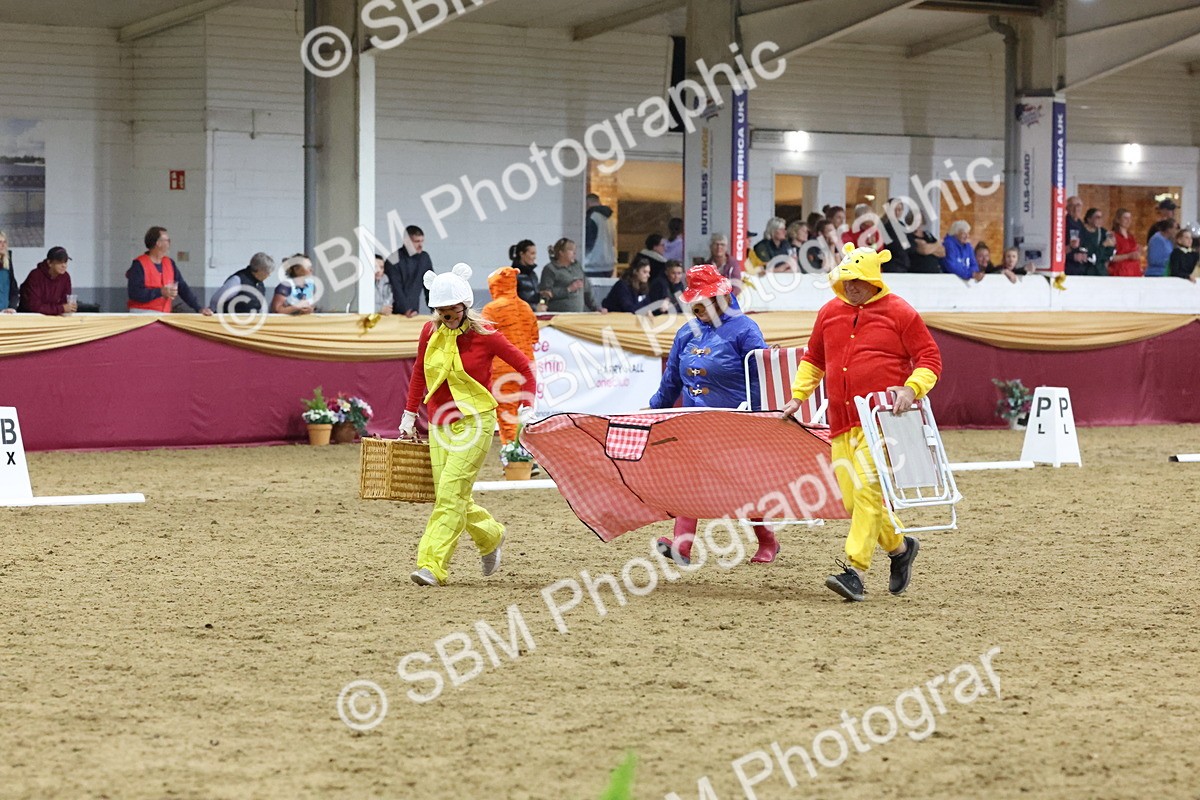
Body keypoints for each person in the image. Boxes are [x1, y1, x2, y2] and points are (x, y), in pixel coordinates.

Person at [782, 243, 942, 602]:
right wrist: (798, 396)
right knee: (853, 503)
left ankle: (854, 571)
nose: (849, 286)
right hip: (841, 423)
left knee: (868, 490)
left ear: (873, 280)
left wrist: (912, 388)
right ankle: (900, 549)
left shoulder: (901, 312)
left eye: (856, 280)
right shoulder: (828, 313)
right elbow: (813, 358)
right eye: (845, 279)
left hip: (883, 422)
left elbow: (930, 358)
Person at [399, 263, 536, 586]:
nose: (447, 317)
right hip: (439, 423)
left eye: (452, 311)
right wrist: (409, 415)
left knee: (450, 495)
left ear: (465, 306)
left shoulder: (487, 335)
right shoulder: (429, 333)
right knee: (451, 494)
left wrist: (527, 406)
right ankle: (490, 534)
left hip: (476, 422)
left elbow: (525, 367)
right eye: (441, 312)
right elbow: (419, 372)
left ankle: (432, 565)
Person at [649, 263, 779, 565]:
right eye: (695, 301)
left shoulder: (745, 329)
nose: (698, 306)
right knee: (689, 478)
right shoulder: (685, 334)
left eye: (704, 299)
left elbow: (761, 376)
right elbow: (671, 380)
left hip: (737, 422)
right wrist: (654, 411)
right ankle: (682, 546)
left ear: (722, 297)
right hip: (694, 422)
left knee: (744, 485)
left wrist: (763, 418)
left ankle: (767, 540)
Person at [481, 266, 540, 458]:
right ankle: (527, 452)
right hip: (528, 368)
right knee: (526, 412)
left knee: (507, 414)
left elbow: (483, 338)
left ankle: (515, 456)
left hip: (503, 370)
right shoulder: (526, 307)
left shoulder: (491, 309)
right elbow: (534, 337)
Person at [127, 226, 212, 315]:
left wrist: (199, 308)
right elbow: (134, 293)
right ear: (158, 243)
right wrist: (160, 292)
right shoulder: (139, 264)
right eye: (167, 240)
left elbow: (182, 287)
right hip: (142, 314)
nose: (169, 243)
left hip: (164, 313)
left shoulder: (169, 263)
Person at [538, 238, 605, 313]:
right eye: (571, 250)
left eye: (575, 250)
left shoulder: (577, 267)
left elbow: (587, 291)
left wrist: (596, 308)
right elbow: (545, 293)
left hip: (578, 315)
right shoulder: (550, 269)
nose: (574, 253)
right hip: (559, 314)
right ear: (561, 253)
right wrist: (568, 289)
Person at [385, 225, 434, 317]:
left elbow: (430, 287)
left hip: (413, 312)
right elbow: (395, 289)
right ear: (406, 241)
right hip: (394, 314)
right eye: (417, 241)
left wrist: (437, 310)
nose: (420, 245)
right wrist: (406, 310)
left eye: (422, 241)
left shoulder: (424, 258)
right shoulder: (393, 259)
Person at [19, 246, 74, 316]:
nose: (64, 266)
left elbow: (65, 302)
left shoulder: (65, 277)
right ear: (49, 263)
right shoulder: (35, 276)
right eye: (59, 262)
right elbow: (34, 306)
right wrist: (61, 308)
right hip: (30, 317)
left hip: (55, 317)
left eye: (65, 262)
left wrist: (68, 307)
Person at [583, 193, 617, 278]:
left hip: (592, 265)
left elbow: (588, 241)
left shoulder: (592, 216)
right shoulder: (610, 218)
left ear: (587, 203)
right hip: (608, 266)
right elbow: (613, 241)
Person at [1077, 207, 1115, 277]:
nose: (1100, 220)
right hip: (1085, 272)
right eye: (1097, 217)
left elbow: (1110, 253)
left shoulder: (1104, 233)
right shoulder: (1081, 232)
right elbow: (1090, 256)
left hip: (1100, 272)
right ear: (1089, 219)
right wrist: (1103, 245)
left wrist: (1100, 256)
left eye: (1101, 217)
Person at [508, 239, 541, 310]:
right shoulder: (512, 275)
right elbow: (511, 301)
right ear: (522, 254)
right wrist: (534, 307)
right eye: (532, 253)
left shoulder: (533, 274)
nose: (535, 257)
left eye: (535, 254)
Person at [1109, 208, 1142, 277]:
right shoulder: (1112, 235)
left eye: (1130, 218)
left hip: (1134, 271)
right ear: (1118, 220)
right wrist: (1128, 256)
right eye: (1125, 218)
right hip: (1120, 272)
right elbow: (1110, 257)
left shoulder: (1131, 237)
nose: (1128, 221)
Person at [0, 231, 19, 313]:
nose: (3, 245)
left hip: (6, 312)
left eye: (4, 242)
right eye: (0, 242)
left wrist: (12, 306)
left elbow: (13, 289)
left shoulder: (7, 264)